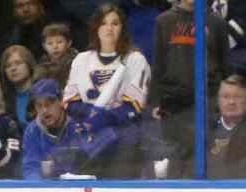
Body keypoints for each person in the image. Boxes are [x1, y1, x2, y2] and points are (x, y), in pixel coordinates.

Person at [63, 3, 150, 178]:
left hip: (124, 139)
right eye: (103, 23)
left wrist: (104, 117)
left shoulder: (135, 60)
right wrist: (89, 114)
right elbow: (70, 101)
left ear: (123, 28)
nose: (109, 28)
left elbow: (133, 107)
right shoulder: (81, 60)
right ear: (95, 27)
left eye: (115, 23)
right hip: (88, 136)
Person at [150, 0, 228, 176]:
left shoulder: (216, 22)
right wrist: (156, 100)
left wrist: (222, 100)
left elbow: (225, 65)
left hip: (207, 100)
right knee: (175, 157)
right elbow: (159, 63)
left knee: (204, 156)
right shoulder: (164, 21)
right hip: (173, 102)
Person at [22, 78, 96, 179]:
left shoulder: (79, 125)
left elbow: (91, 163)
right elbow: (30, 168)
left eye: (49, 103)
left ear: (61, 101)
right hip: (46, 190)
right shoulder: (32, 131)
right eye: (39, 105)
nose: (44, 110)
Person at [207, 74, 246, 179]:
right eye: (226, 96)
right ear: (218, 101)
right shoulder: (205, 130)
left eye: (237, 97)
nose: (231, 102)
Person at [0, 44, 38, 127]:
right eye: (8, 66)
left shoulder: (42, 91)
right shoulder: (4, 100)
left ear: (29, 65)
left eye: (18, 63)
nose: (13, 68)